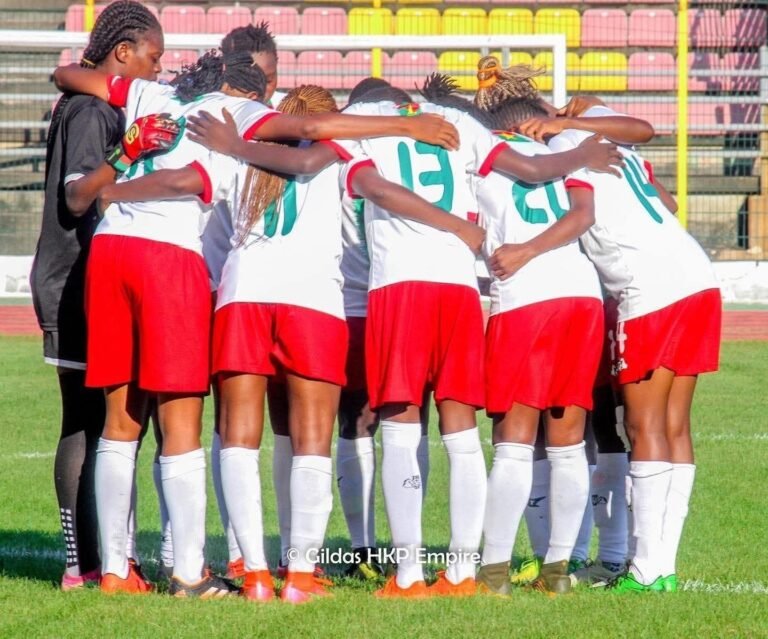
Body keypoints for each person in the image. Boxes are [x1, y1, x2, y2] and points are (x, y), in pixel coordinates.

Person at [329, 76, 623, 599]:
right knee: (479, 430)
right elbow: (546, 180)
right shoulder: (484, 133)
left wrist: (460, 227)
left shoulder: (364, 130)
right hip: (501, 290)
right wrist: (580, 152)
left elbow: (366, 180)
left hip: (413, 283)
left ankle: (413, 574)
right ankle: (476, 571)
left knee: (408, 425)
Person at [53, 50, 276, 598]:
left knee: (120, 419)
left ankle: (113, 571)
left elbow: (65, 74)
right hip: (167, 258)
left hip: (109, 255)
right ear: (238, 89)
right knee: (181, 425)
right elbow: (187, 181)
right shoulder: (230, 114)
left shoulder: (149, 93)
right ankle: (189, 574)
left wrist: (123, 162)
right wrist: (117, 189)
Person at [479, 93, 720, 593]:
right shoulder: (602, 137)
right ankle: (658, 566)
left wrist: (525, 249)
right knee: (675, 424)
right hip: (695, 271)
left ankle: (644, 568)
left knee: (641, 423)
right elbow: (667, 198)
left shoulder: (559, 147)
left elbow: (583, 212)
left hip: (645, 286)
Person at [29, 0, 165, 591]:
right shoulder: (90, 111)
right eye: (152, 59)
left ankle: (103, 559)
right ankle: (82, 563)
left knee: (104, 419)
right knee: (87, 421)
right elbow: (81, 197)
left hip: (93, 276)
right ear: (122, 52)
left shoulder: (99, 102)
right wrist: (128, 152)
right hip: (76, 279)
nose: (158, 71)